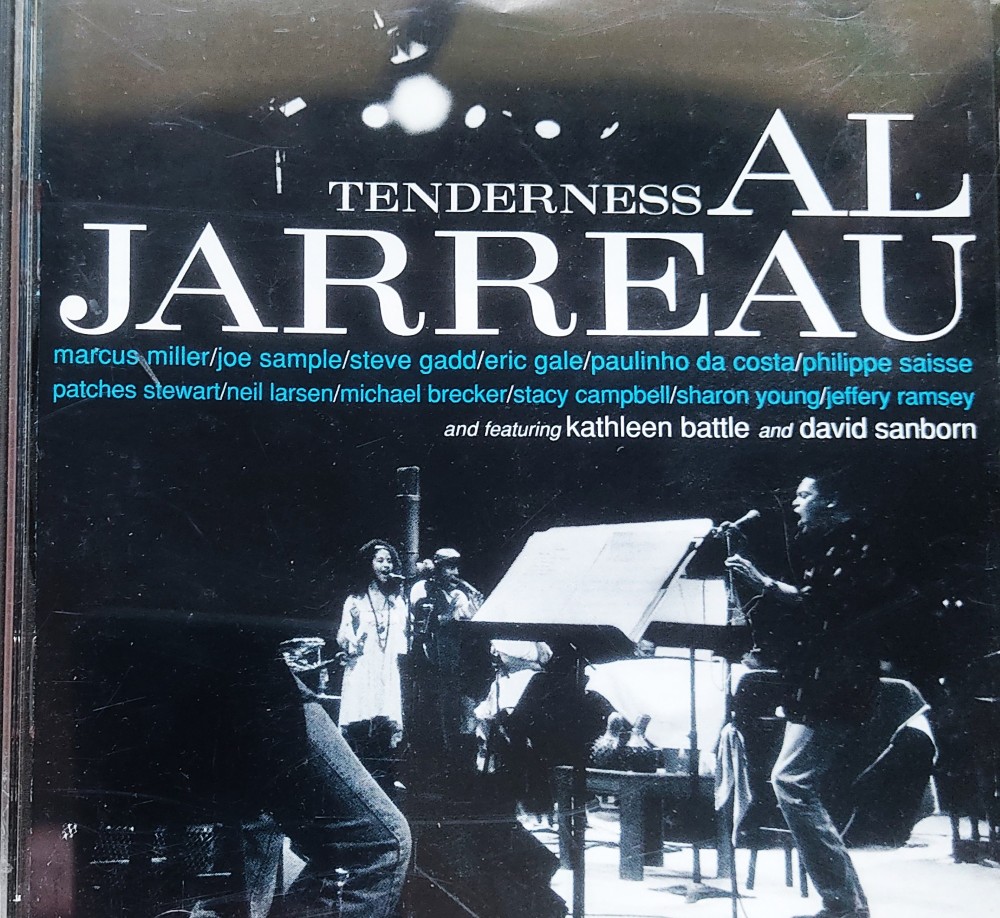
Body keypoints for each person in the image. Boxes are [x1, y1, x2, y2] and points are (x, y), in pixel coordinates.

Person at [725, 475, 881, 918]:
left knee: (792, 782)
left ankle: (843, 904)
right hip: (819, 677)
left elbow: (823, 605)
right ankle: (847, 904)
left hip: (837, 679)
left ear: (830, 500)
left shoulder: (850, 541)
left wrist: (762, 582)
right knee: (793, 782)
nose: (794, 503)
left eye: (804, 495)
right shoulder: (824, 541)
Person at [409, 547, 491, 777]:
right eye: (449, 568)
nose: (455, 573)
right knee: (434, 716)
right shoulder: (422, 588)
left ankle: (460, 769)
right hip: (431, 664)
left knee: (459, 715)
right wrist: (450, 613)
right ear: (437, 569)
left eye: (456, 568)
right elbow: (424, 621)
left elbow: (467, 624)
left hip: (457, 663)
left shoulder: (459, 594)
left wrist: (475, 607)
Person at [338, 540, 410, 764]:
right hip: (363, 665)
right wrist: (354, 636)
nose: (386, 565)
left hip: (386, 666)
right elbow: (344, 637)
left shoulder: (397, 601)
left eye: (389, 561)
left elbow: (404, 636)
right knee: (361, 715)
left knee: (384, 716)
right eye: (380, 560)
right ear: (368, 564)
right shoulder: (355, 600)